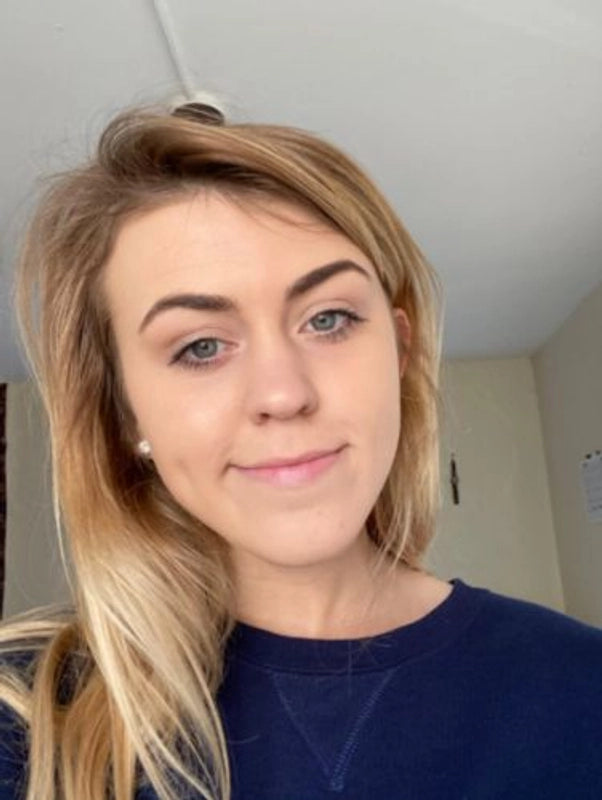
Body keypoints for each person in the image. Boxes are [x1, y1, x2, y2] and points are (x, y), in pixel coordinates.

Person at [0, 100, 600, 800]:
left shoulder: (581, 685)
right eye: (201, 347)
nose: (283, 394)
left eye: (328, 319)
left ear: (399, 350)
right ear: (125, 411)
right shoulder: (28, 716)